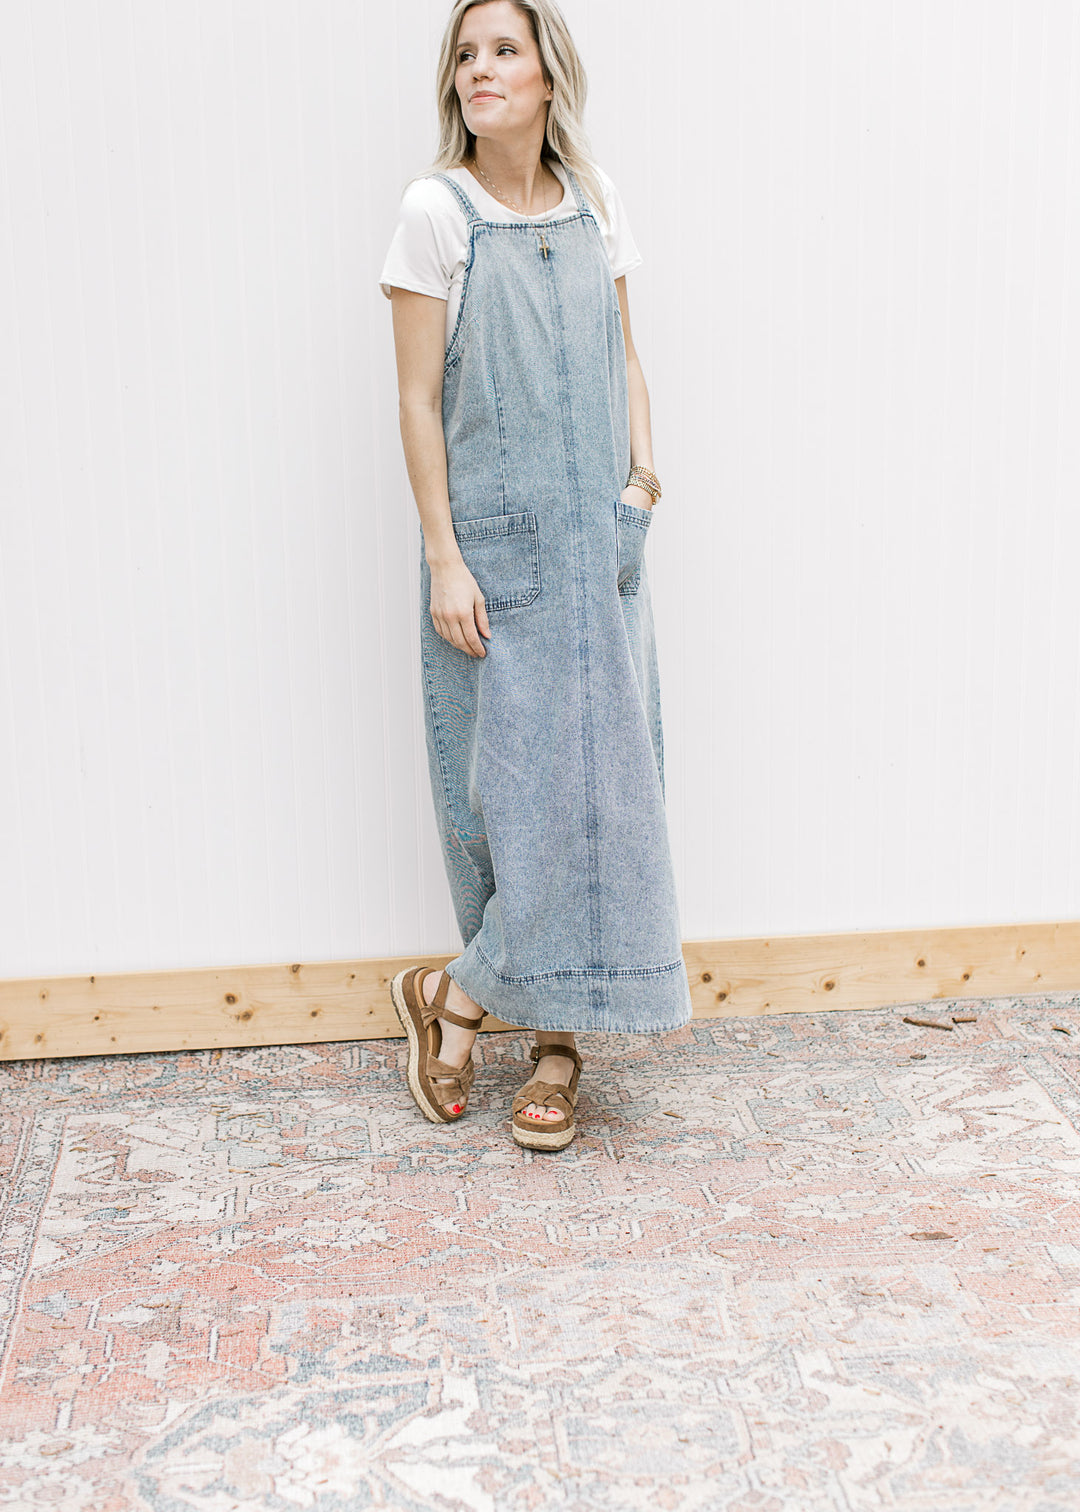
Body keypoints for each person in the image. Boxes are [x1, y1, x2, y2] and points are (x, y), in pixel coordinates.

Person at [379, 0, 692, 1152]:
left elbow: (625, 354)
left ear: (550, 73)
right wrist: (443, 557)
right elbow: (417, 401)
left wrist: (643, 487)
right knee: (510, 808)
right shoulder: (434, 213)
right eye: (465, 53)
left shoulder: (596, 200)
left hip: (601, 553)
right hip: (493, 558)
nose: (479, 70)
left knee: (611, 802)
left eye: (503, 49)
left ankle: (533, 1037)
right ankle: (467, 998)